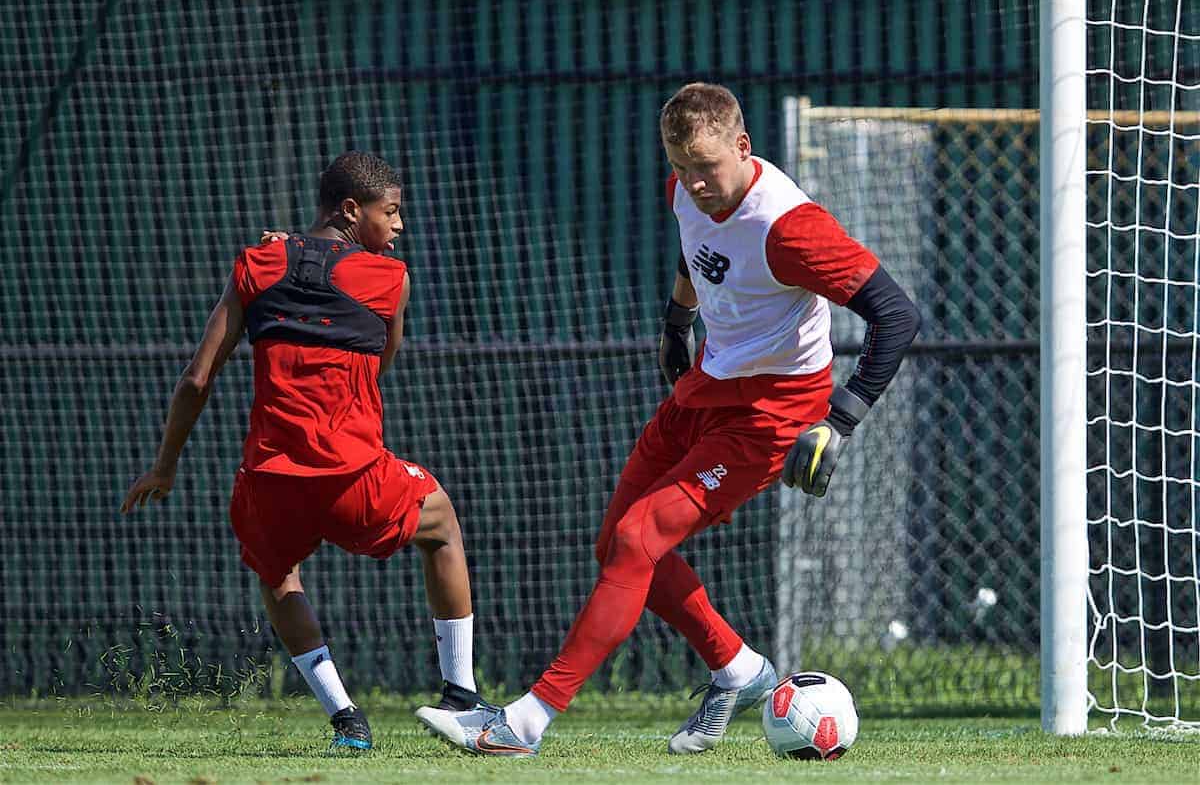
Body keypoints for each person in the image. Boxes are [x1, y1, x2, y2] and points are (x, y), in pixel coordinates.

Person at [415, 83, 922, 758]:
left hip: (772, 413)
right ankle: (739, 668)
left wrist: (843, 417)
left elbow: (898, 313)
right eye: (681, 166)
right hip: (705, 388)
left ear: (743, 147)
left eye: (707, 166)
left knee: (637, 537)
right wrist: (677, 319)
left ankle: (523, 723)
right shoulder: (685, 188)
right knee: (616, 549)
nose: (694, 182)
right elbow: (696, 247)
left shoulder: (792, 226)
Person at [120, 151, 485, 751]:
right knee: (441, 522)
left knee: (277, 574)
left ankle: (345, 719)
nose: (399, 226)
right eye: (390, 212)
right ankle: (462, 696)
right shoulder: (391, 278)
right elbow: (380, 363)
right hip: (355, 477)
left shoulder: (256, 263)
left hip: (270, 481)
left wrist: (165, 465)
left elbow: (195, 379)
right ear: (350, 209)